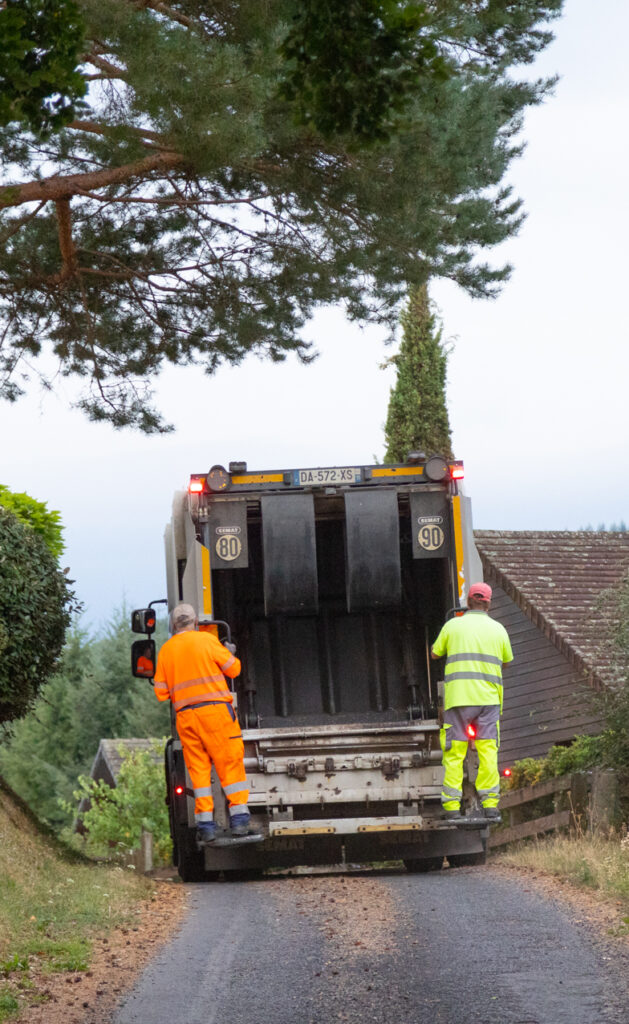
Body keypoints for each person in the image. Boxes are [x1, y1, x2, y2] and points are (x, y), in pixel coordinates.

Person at [153, 602, 253, 842]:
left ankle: (206, 827)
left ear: (174, 626)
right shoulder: (208, 641)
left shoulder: (166, 651)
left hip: (187, 718)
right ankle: (239, 822)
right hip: (216, 714)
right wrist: (229, 652)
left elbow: (161, 693)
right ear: (196, 623)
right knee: (230, 765)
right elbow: (234, 670)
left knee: (198, 772)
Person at [431, 582, 513, 822]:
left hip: (458, 698)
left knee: (455, 752)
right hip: (488, 700)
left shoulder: (452, 625)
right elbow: (506, 661)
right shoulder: (499, 629)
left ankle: (452, 807)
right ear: (488, 603)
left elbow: (435, 653)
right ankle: (490, 805)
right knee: (488, 751)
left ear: (468, 602)